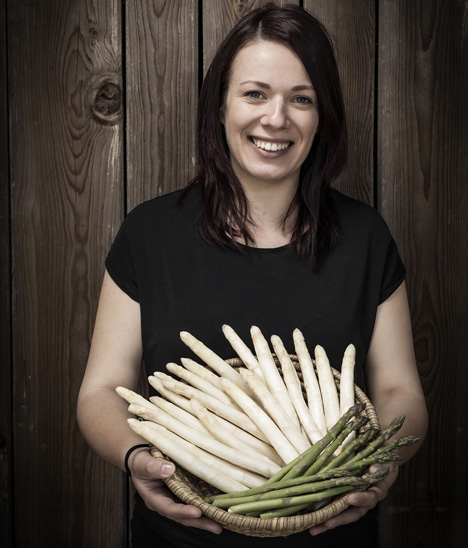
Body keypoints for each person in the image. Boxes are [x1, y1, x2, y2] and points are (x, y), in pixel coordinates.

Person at [77, 4, 428, 547]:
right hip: (179, 537)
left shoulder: (365, 237)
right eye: (255, 93)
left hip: (332, 534)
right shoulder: (150, 234)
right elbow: (100, 391)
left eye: (301, 99)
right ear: (221, 106)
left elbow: (399, 389)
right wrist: (137, 457)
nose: (276, 118)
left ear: (322, 117)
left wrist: (379, 466)